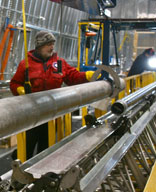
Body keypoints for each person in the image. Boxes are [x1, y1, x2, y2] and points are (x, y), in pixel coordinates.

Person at [10, 31, 95, 159]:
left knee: (46, 145)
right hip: (32, 113)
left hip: (51, 113)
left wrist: (87, 75)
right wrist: (20, 90)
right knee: (28, 145)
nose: (51, 48)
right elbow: (14, 84)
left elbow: (73, 77)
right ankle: (20, 166)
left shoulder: (59, 63)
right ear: (39, 46)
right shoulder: (26, 64)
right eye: (48, 44)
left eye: (52, 44)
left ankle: (40, 172)